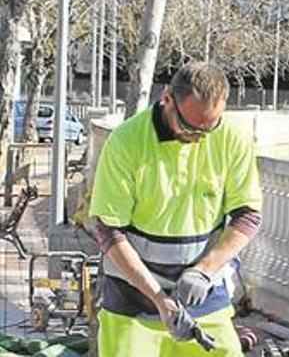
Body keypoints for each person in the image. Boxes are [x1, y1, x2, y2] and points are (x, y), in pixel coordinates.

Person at [88, 62, 262, 356]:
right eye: (191, 128)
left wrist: (204, 271)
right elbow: (107, 228)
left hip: (204, 294)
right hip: (134, 301)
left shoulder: (232, 138)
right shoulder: (126, 142)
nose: (199, 138)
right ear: (167, 99)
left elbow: (248, 216)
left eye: (210, 128)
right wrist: (159, 299)